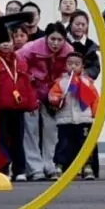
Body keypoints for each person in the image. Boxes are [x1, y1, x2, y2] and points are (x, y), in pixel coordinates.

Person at [17, 22, 72, 181]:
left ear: (64, 40)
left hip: (53, 94)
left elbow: (69, 73)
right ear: (46, 37)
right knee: (30, 131)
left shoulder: (69, 51)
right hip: (32, 92)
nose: (56, 43)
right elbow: (19, 65)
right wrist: (29, 81)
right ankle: (35, 169)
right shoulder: (30, 48)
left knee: (52, 131)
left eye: (59, 40)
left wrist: (58, 92)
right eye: (52, 39)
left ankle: (50, 165)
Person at [0, 36, 36, 181]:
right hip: (0, 107)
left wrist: (31, 104)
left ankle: (20, 170)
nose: (5, 44)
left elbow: (26, 84)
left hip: (17, 107)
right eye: (2, 41)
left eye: (8, 41)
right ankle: (3, 169)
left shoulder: (20, 61)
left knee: (18, 139)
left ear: (13, 43)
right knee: (0, 139)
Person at [47, 50, 99, 178]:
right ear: (65, 65)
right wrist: (57, 99)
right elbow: (52, 95)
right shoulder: (60, 82)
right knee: (63, 144)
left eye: (77, 64)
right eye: (70, 63)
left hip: (84, 120)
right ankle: (60, 166)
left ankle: (87, 166)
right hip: (65, 120)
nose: (73, 66)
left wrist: (95, 114)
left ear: (82, 66)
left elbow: (95, 99)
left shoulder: (87, 82)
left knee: (84, 144)